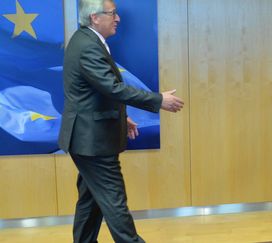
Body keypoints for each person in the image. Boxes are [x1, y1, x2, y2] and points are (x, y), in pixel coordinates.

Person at [58, 0, 184, 242]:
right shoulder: (88, 46)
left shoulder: (88, 40)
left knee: (90, 200)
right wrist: (158, 100)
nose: (118, 19)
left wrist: (123, 116)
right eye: (112, 14)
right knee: (115, 202)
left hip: (88, 137)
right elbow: (111, 87)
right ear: (95, 17)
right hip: (93, 141)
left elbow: (96, 90)